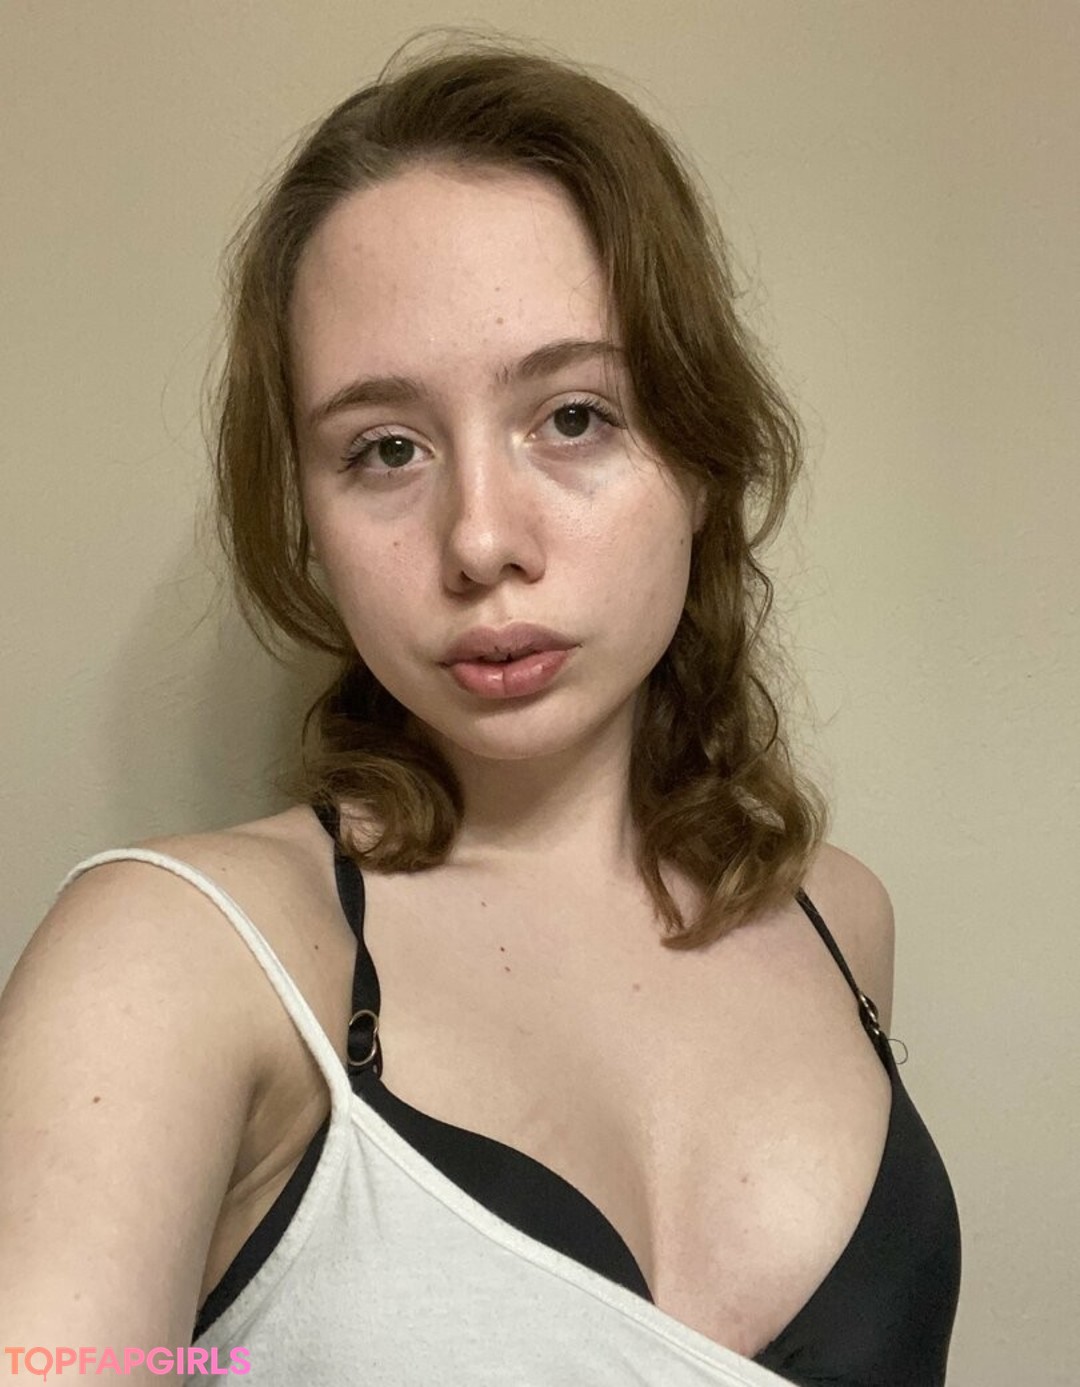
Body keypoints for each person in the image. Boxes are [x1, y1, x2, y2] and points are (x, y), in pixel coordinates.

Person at [0, 37, 960, 1387]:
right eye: (386, 448)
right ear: (309, 516)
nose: (481, 540)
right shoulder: (175, 964)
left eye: (573, 417)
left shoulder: (839, 920)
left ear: (700, 454)